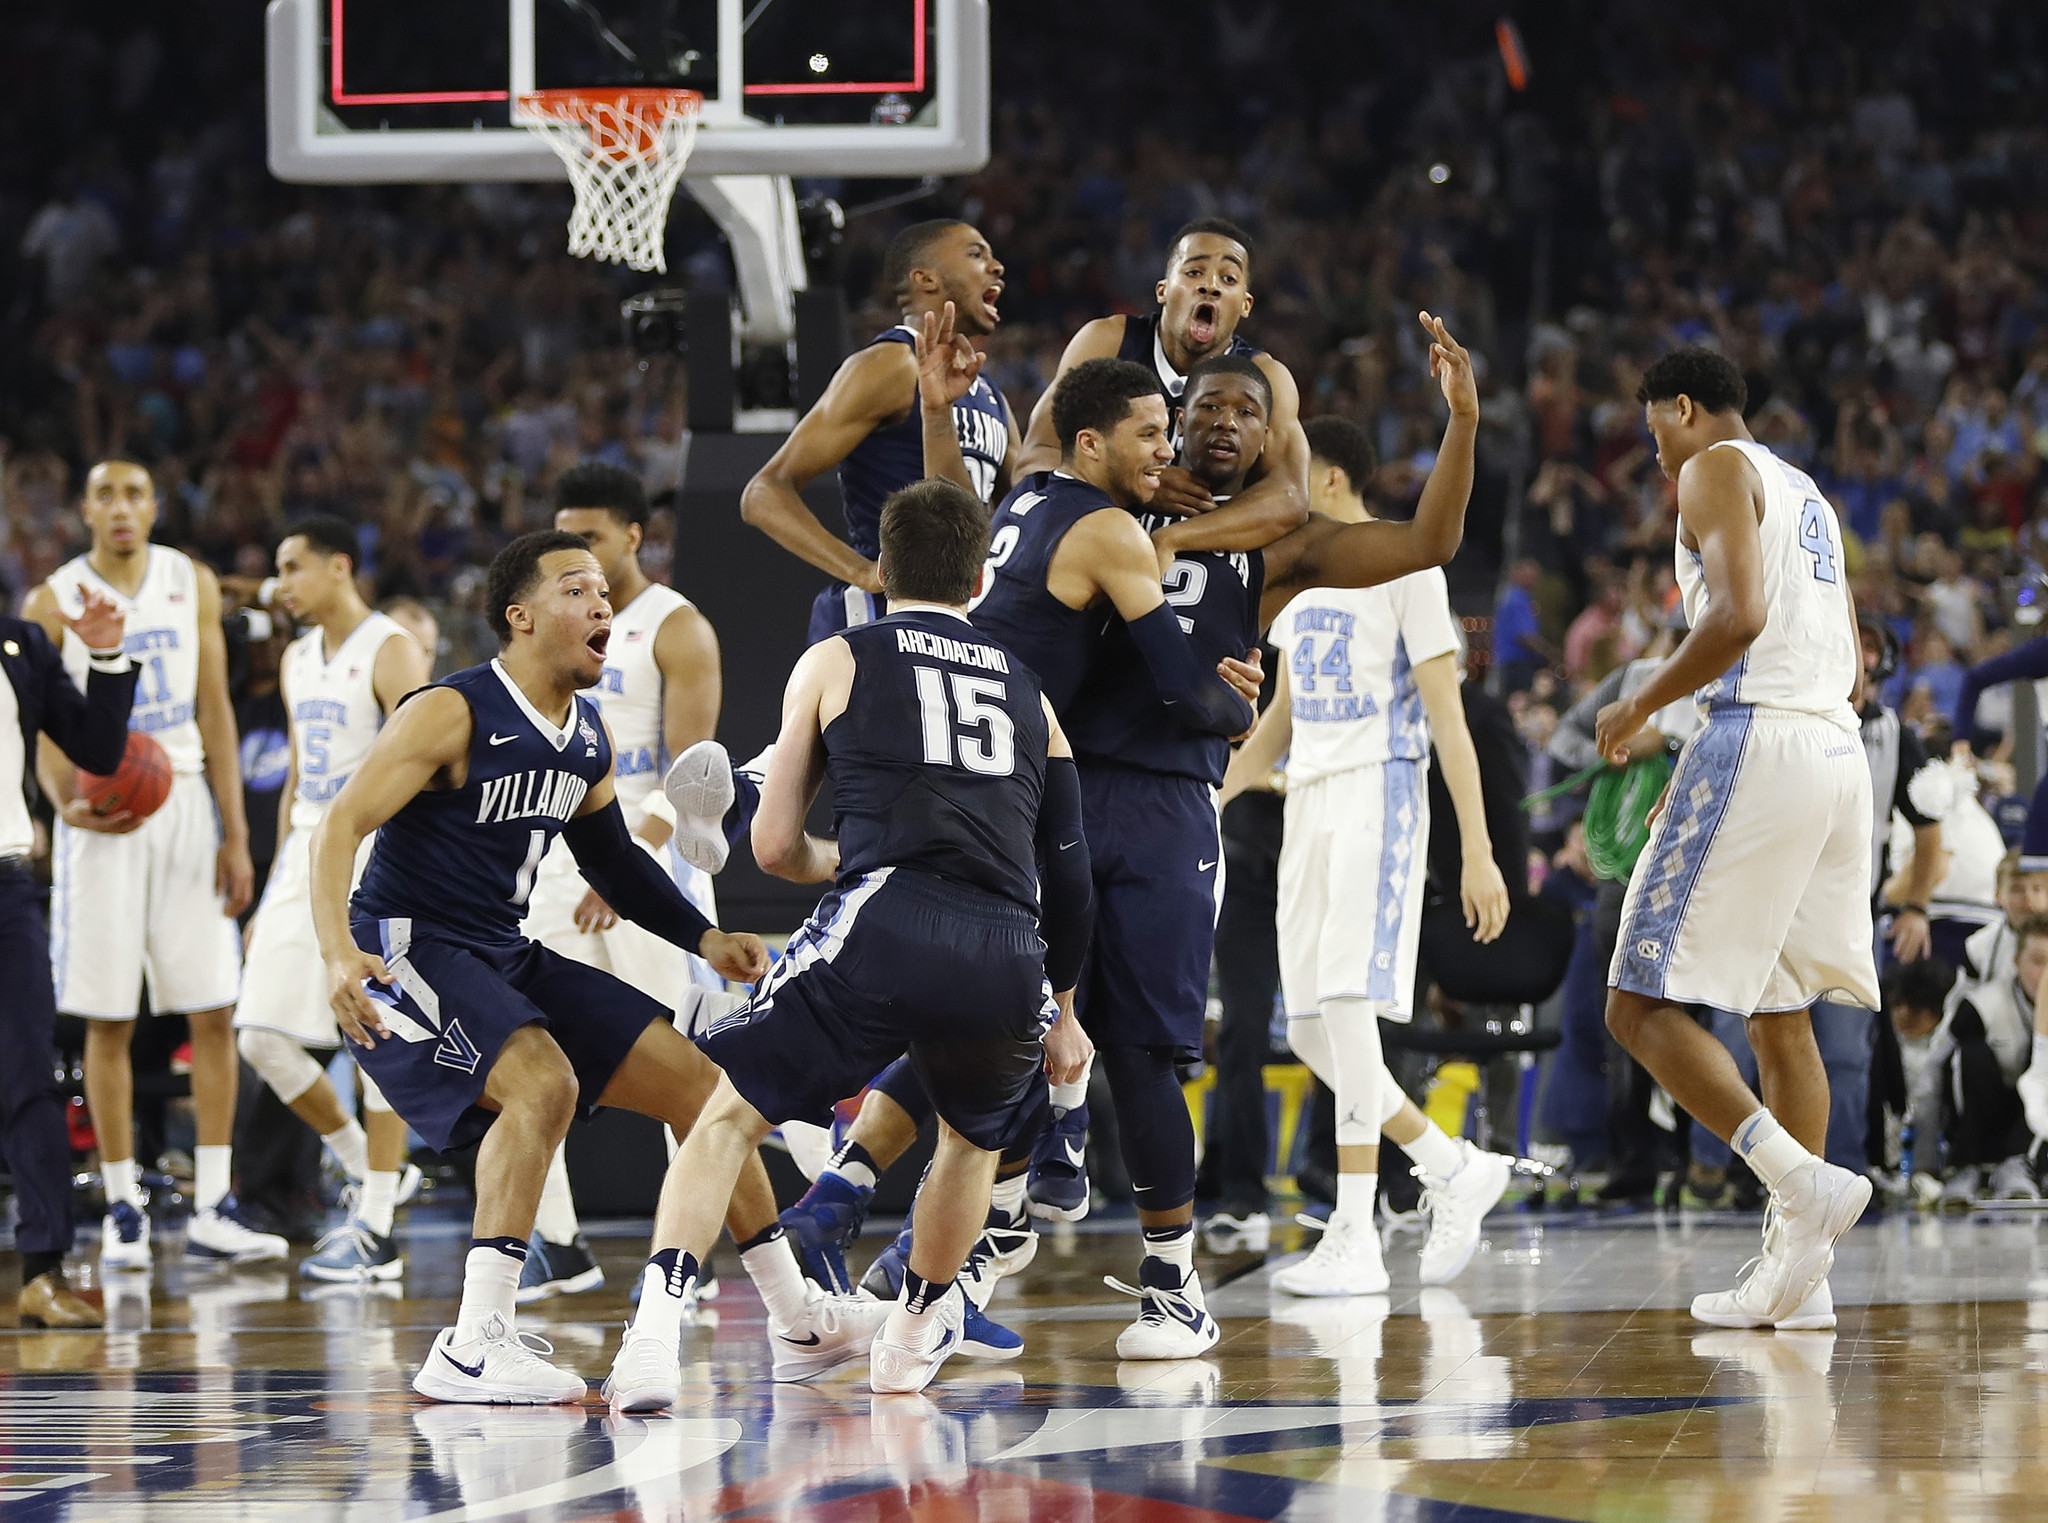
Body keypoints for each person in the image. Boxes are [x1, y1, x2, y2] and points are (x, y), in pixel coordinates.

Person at [310, 530, 884, 1404]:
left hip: (499, 948)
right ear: (521, 615)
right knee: (543, 1083)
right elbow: (338, 826)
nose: (602, 604)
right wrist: (335, 954)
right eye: (577, 590)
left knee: (706, 1088)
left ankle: (796, 1318)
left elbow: (614, 863)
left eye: (605, 593)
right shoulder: (451, 711)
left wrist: (703, 939)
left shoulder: (585, 738)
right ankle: (474, 1341)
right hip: (408, 941)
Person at [770, 352, 1268, 1328]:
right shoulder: (1112, 525)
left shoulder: (1018, 504)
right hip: (1060, 772)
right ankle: (1153, 1268)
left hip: (959, 754)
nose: (1167, 446)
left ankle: (897, 1201)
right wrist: (1237, 708)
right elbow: (1180, 684)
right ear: (1092, 441)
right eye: (1149, 431)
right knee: (1139, 1045)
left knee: (988, 1006)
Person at [605, 479, 1095, 1407]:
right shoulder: (1031, 690)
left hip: (886, 914)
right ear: (983, 575)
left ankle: (654, 1338)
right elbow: (1071, 876)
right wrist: (1063, 1007)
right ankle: (909, 1341)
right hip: (1009, 944)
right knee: (967, 1143)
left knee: (723, 1113)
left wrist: (845, 857)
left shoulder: (837, 655)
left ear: (882, 566)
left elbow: (777, 848)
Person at [1595, 348, 1878, 1332]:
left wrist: (1643, 703)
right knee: (1778, 1008)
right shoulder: (1810, 495)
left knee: (1633, 1003)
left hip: (1755, 732)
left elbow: (1737, 615)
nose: (1656, 450)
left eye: (1653, 428)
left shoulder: (1710, 464)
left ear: (1680, 406)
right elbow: (1842, 667)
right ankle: (1804, 1279)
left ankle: (1797, 1183)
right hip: (1835, 755)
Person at [1220, 412, 1514, 1295]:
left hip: (1379, 793)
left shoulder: (1403, 565)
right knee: (1308, 1026)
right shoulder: (1296, 579)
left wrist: (1479, 851)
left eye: (1287, 469)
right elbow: (1278, 721)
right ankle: (1449, 1161)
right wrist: (1214, 795)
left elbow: (1449, 721)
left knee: (1346, 1006)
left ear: (1331, 477)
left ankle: (1354, 1230)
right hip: (1306, 799)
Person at [24, 459, 284, 1269]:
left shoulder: (189, 579)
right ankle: (124, 1204)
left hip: (185, 798)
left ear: (156, 506)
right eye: (105, 494)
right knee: (110, 1017)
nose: (121, 507)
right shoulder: (51, 597)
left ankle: (212, 1202)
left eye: (135, 493)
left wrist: (235, 834)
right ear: (85, 511)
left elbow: (216, 706)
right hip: (103, 814)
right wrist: (62, 800)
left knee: (212, 1009)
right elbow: (35, 721)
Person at [516, 463, 735, 1304]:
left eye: (595, 536)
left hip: (649, 860)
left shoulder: (677, 627)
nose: (581, 551)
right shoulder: (558, 626)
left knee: (683, 1062)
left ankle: (693, 1255)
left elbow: (691, 775)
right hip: (561, 861)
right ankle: (558, 1244)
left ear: (636, 536)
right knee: (531, 1048)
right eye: (568, 537)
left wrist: (627, 864)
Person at [234, 516, 430, 1282]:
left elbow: (423, 758)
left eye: (292, 567)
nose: (280, 584)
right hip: (305, 851)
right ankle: (362, 1161)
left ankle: (377, 1220)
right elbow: (293, 778)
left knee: (374, 1035)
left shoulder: (390, 647)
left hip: (374, 849)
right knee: (260, 1034)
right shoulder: (291, 657)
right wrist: (281, 868)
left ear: (339, 566)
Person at [742, 221, 1020, 646]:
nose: (997, 266)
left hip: (960, 616)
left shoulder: (991, 395)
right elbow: (764, 493)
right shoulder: (890, 363)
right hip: (880, 617)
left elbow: (1020, 514)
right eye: (976, 254)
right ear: (924, 278)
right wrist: (860, 570)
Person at [2, 582, 135, 1326]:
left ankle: (43, 1272)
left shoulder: (22, 644)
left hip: (7, 887)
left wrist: (107, 652)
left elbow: (98, 746)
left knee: (30, 1076)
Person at [1017, 217, 1310, 539]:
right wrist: (1133, 482)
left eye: (1228, 278)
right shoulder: (1107, 342)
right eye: (1194, 272)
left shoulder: (1266, 377)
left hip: (1207, 553)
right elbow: (1034, 462)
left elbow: (1291, 499)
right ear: (1163, 290)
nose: (1210, 286)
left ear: (1245, 304)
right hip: (1100, 538)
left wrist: (1172, 541)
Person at [1914, 916, 2044, 1202]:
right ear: (2016, 961)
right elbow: (1935, 1068)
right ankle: (1965, 1167)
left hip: (2033, 1132)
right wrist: (1923, 1164)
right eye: (2037, 961)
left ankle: (2020, 1166)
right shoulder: (1980, 1007)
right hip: (1978, 1118)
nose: (2045, 973)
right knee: (1970, 1054)